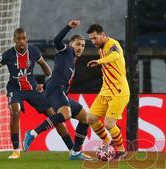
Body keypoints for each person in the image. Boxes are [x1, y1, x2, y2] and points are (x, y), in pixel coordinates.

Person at [0, 28, 73, 159]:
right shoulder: (8, 55)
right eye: (19, 39)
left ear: (26, 39)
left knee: (55, 116)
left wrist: (50, 83)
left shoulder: (33, 51)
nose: (22, 41)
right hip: (15, 89)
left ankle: (73, 150)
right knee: (15, 111)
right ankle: (16, 150)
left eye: (24, 38)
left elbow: (44, 65)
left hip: (32, 89)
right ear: (14, 40)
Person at [23, 20, 93, 160]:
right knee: (65, 114)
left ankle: (75, 152)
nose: (80, 47)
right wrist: (68, 27)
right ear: (71, 44)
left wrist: (45, 83)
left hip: (58, 91)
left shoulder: (72, 60)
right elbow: (57, 40)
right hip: (56, 90)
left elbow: (56, 74)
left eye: (83, 46)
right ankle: (32, 133)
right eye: (78, 44)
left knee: (86, 118)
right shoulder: (66, 50)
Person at [86, 24, 130, 160]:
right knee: (91, 119)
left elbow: (115, 56)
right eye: (91, 39)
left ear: (103, 35)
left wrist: (99, 61)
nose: (93, 42)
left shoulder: (113, 44)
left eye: (95, 38)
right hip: (105, 91)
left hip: (119, 91)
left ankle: (121, 150)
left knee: (109, 124)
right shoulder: (101, 48)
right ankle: (107, 141)